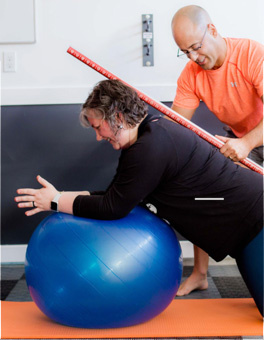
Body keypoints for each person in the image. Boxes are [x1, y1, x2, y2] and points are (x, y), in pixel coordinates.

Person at [15, 79, 263, 316]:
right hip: (244, 233)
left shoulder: (150, 147)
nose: (99, 137)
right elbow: (120, 194)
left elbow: (113, 207)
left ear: (118, 118)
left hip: (256, 221)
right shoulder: (148, 136)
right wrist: (56, 197)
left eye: (98, 127)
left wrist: (56, 201)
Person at [170, 5, 264, 296]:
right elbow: (176, 126)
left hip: (255, 136)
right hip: (239, 138)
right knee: (204, 189)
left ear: (212, 30)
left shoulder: (251, 54)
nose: (193, 58)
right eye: (185, 52)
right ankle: (200, 273)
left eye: (196, 47)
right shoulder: (191, 74)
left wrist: (247, 143)